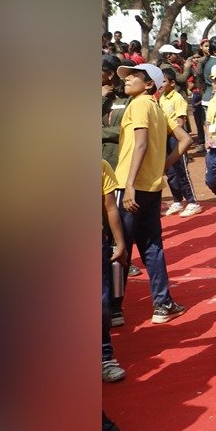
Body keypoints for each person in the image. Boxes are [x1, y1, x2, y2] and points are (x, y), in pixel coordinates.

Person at [112, 62, 187, 324]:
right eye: (127, 75)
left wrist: (130, 184)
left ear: (148, 85)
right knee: (152, 246)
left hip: (129, 185)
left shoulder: (139, 104)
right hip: (152, 187)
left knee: (120, 246)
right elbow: (186, 140)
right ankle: (163, 303)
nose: (127, 79)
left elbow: (141, 144)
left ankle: (114, 308)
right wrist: (162, 166)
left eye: (134, 76)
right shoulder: (157, 108)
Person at [158, 67, 202, 217]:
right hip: (164, 137)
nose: (160, 84)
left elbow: (180, 121)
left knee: (181, 170)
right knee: (170, 171)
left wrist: (171, 130)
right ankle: (177, 200)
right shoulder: (162, 97)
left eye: (163, 81)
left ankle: (192, 201)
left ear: (172, 83)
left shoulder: (177, 98)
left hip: (176, 138)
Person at [102, 159, 127, 382]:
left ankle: (104, 358)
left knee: (101, 306)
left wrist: (120, 243)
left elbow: (110, 207)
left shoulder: (101, 166)